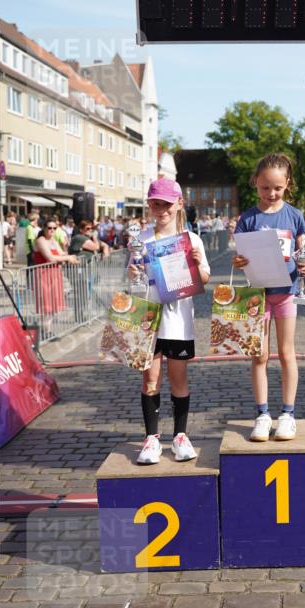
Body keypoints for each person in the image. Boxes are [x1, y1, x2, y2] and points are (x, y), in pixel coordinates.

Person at [232, 153, 305, 442]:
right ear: (255, 183)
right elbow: (239, 255)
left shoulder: (294, 215)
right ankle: (262, 414)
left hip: (287, 294)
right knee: (259, 356)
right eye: (265, 188)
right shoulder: (248, 218)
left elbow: (303, 255)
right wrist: (238, 262)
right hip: (258, 295)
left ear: (287, 184)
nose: (271, 193)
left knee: (287, 353)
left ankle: (288, 415)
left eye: (277, 188)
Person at [130, 179, 210, 466]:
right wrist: (133, 269)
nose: (161, 209)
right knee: (150, 379)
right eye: (155, 203)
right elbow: (135, 278)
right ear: (149, 205)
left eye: (166, 203)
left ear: (179, 204)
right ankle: (152, 438)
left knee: (179, 379)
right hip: (149, 318)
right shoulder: (141, 238)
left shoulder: (192, 239)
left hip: (178, 321)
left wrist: (199, 264)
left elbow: (203, 280)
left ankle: (179, 436)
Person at [32, 219, 79, 331]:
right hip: (43, 274)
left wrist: (70, 253)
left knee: (53, 305)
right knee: (46, 305)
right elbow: (51, 258)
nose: (52, 230)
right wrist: (68, 258)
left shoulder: (53, 240)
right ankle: (42, 330)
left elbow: (61, 253)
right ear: (44, 228)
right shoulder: (40, 240)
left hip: (55, 273)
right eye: (49, 228)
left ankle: (45, 329)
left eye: (54, 228)